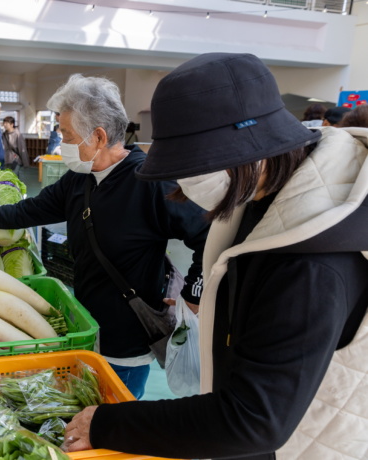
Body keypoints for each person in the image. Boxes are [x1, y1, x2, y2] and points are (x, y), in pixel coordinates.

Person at [63, 53, 368, 460]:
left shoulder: (312, 263)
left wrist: (108, 424)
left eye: (196, 167)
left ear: (250, 150)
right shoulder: (265, 197)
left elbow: (253, 419)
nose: (187, 184)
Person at [0, 74, 209, 398]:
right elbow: (27, 211)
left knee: (118, 409)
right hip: (86, 321)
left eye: (67, 133)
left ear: (99, 137)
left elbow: (206, 232)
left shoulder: (150, 183)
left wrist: (194, 296)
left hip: (128, 335)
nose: (62, 142)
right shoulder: (80, 178)